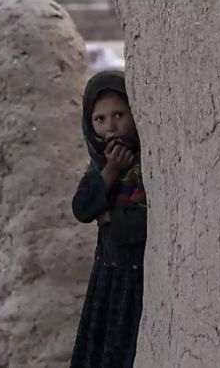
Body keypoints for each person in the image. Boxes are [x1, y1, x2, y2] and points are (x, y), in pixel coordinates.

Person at [69, 70, 147, 368]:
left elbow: (141, 225)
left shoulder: (146, 162)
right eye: (100, 120)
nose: (110, 127)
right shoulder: (99, 165)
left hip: (137, 280)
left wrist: (108, 218)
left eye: (119, 114)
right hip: (107, 278)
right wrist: (111, 171)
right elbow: (81, 209)